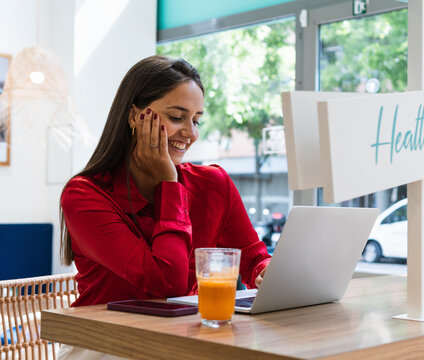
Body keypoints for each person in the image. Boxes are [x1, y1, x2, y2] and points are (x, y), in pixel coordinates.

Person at [59, 55, 270, 309]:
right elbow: (168, 285)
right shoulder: (84, 195)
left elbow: (254, 259)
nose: (191, 133)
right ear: (134, 117)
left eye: (196, 120)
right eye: (177, 117)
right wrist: (168, 182)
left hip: (182, 336)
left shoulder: (213, 184)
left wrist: (265, 271)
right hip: (105, 342)